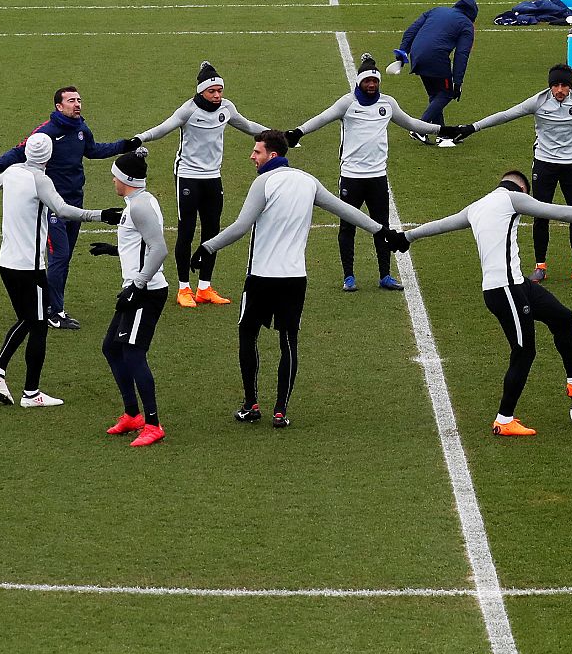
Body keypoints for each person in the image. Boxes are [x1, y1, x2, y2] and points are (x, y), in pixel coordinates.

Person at [193, 130, 392, 428]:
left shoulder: (263, 182)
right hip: (294, 278)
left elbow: (240, 226)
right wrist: (382, 231)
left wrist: (207, 247)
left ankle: (251, 404)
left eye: (256, 152)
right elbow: (347, 211)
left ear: (271, 155)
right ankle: (280, 411)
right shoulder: (308, 181)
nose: (252, 156)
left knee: (248, 335)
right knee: (288, 342)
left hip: (260, 277)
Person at [394, 170, 572, 437]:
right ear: (522, 189)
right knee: (524, 352)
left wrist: (407, 237)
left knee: (562, 317)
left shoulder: (476, 207)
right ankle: (504, 419)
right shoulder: (512, 198)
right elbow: (557, 211)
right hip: (505, 290)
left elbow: (441, 224)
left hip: (518, 284)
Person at [447, 64, 572, 283]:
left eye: (564, 85)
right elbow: (506, 115)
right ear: (550, 86)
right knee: (541, 214)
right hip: (544, 164)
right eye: (555, 85)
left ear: (570, 86)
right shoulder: (538, 102)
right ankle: (540, 266)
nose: (559, 90)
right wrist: (473, 127)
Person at [0, 134, 120, 409]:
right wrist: (102, 215)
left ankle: (3, 373)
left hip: (7, 263)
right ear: (49, 157)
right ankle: (25, 389)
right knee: (36, 325)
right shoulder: (41, 181)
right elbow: (63, 210)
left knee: (29, 320)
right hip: (30, 268)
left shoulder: (13, 171)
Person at [0, 86, 140, 329]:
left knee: (63, 260)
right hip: (54, 205)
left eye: (79, 100)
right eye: (71, 101)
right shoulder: (45, 133)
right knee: (60, 256)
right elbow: (18, 152)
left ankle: (51, 306)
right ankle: (54, 311)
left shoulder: (80, 128)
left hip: (76, 202)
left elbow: (94, 151)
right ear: (59, 106)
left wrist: (124, 145)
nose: (77, 104)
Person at [286, 54, 438, 292]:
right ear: (359, 82)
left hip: (378, 177)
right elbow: (323, 118)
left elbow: (412, 124)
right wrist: (298, 132)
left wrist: (442, 129)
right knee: (348, 226)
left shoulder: (387, 104)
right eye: (367, 81)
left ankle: (385, 275)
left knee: (382, 227)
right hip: (351, 177)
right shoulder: (347, 104)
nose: (371, 85)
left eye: (375, 82)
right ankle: (349, 276)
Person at [133, 61, 267, 309]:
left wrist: (278, 135)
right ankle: (184, 288)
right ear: (201, 91)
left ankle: (204, 287)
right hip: (187, 176)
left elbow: (248, 126)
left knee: (212, 232)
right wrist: (141, 138)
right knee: (186, 231)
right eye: (212, 91)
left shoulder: (226, 108)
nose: (217, 96)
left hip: (213, 177)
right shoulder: (188, 110)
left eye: (220, 91)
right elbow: (165, 128)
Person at [91, 149, 172, 446]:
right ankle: (132, 415)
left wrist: (137, 285)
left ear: (125, 179)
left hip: (145, 292)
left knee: (134, 353)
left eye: (115, 175)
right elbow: (141, 244)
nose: (112, 180)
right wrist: (114, 250)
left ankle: (153, 424)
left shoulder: (139, 206)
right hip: (138, 288)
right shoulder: (138, 201)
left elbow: (159, 249)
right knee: (111, 348)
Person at [389, 0, 478, 140]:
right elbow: (461, 54)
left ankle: (442, 133)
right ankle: (419, 128)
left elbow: (411, 30)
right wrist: (458, 82)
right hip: (436, 58)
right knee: (447, 93)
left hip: (417, 55)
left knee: (436, 95)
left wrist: (402, 52)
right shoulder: (466, 25)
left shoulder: (436, 10)